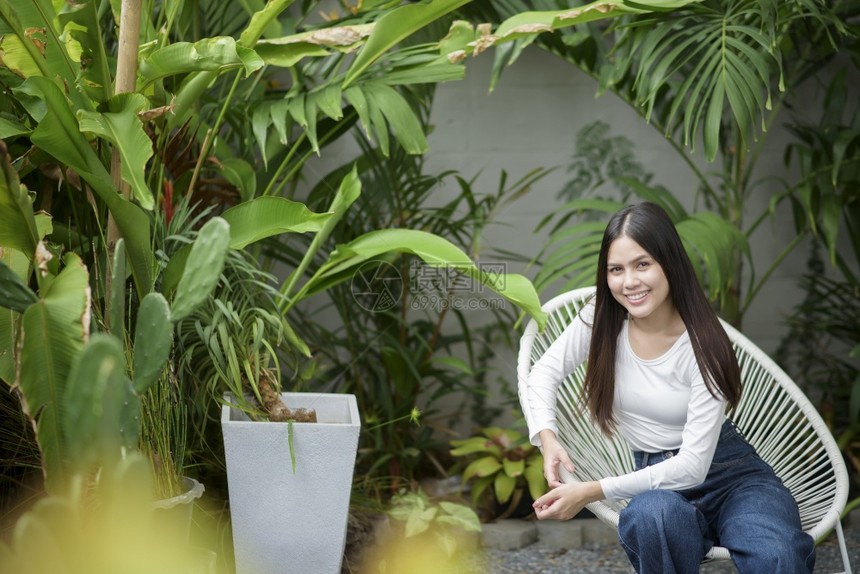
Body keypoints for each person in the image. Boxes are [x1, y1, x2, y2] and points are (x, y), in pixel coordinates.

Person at [519, 202, 814, 573]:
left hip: (734, 477)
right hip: (657, 483)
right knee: (651, 517)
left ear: (669, 263)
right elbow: (542, 372)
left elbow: (692, 466)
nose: (629, 282)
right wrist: (548, 439)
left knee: (777, 554)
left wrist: (590, 490)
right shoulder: (601, 317)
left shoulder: (703, 343)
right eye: (616, 269)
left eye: (643, 264)